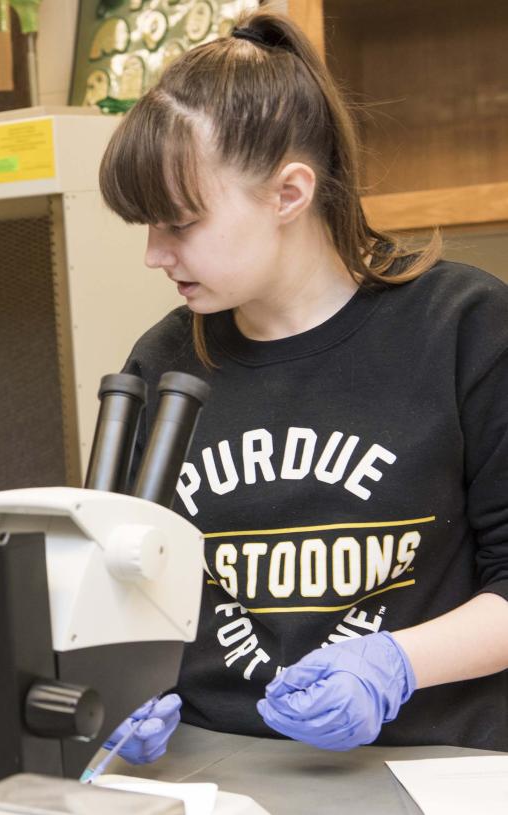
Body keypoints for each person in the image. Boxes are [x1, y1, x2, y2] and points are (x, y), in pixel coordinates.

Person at [95, 10, 508, 764]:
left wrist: (397, 663)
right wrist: (115, 684)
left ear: (289, 193)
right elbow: (123, 594)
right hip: (215, 765)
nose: (155, 254)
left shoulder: (465, 329)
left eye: (179, 223)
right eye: (145, 226)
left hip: (433, 763)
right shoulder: (160, 365)